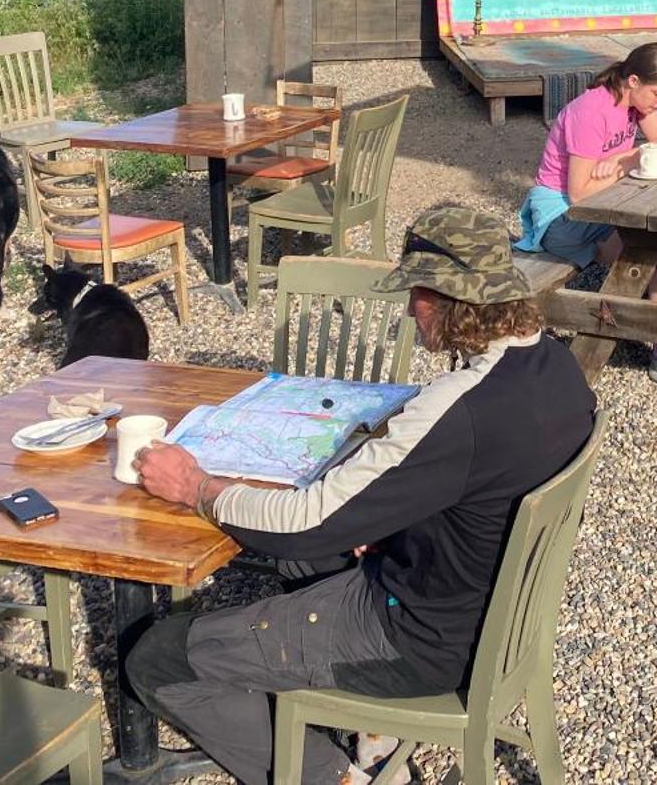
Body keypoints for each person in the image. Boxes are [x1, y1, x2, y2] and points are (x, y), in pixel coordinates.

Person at [125, 204, 598, 785]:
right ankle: (372, 740)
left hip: (421, 639)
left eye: (417, 293)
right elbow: (471, 488)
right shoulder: (556, 364)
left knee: (159, 657)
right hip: (485, 611)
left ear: (451, 298)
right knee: (306, 551)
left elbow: (305, 520)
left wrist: (197, 487)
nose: (407, 308)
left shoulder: (459, 406)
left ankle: (337, 777)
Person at [512, 41, 657, 391]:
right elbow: (578, 193)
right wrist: (628, 164)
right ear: (632, 80)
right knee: (652, 242)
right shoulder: (591, 112)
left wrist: (628, 156)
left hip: (603, 203)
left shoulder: (637, 104)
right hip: (561, 216)